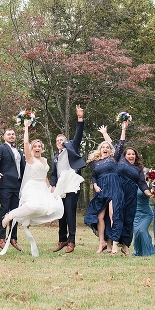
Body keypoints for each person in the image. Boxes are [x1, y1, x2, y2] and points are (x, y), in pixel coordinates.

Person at [0, 119, 83, 256]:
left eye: (39, 147)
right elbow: (25, 143)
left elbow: (45, 176)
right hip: (32, 186)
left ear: (42, 149)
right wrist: (26, 127)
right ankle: (10, 215)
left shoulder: (45, 160)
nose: (37, 148)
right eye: (35, 146)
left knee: (53, 208)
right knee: (34, 206)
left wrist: (50, 189)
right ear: (31, 149)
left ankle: (28, 219)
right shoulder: (30, 159)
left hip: (43, 187)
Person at [103, 119, 152, 256]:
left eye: (133, 154)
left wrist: (150, 193)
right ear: (125, 156)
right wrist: (119, 130)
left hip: (131, 194)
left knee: (128, 218)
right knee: (117, 215)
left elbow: (142, 183)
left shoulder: (138, 168)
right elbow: (114, 145)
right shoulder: (120, 160)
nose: (131, 155)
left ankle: (125, 246)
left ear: (136, 157)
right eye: (128, 153)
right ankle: (114, 245)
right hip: (118, 191)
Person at [49, 104, 86, 254]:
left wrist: (80, 118)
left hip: (71, 183)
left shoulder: (72, 147)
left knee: (70, 212)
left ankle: (71, 241)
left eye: (62, 139)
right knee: (61, 213)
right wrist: (52, 184)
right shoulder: (55, 157)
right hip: (60, 186)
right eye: (57, 140)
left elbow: (79, 134)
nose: (60, 142)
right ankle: (62, 239)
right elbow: (53, 173)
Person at [83, 138, 122, 255]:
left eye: (108, 147)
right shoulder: (96, 162)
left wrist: (124, 129)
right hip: (101, 189)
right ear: (100, 150)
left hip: (114, 187)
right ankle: (102, 243)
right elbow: (94, 176)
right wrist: (94, 185)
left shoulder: (114, 159)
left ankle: (113, 243)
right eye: (103, 147)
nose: (105, 148)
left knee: (112, 215)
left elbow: (121, 145)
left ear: (111, 150)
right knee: (100, 216)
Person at [0, 128, 25, 252]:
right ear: (4, 137)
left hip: (18, 185)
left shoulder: (19, 151)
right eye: (9, 134)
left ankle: (13, 238)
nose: (11, 136)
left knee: (16, 212)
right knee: (5, 210)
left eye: (13, 134)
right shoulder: (0, 148)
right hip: (5, 184)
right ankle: (1, 238)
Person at [132, 168, 154, 256]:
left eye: (145, 172)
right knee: (137, 233)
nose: (143, 174)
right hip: (135, 213)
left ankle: (147, 251)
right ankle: (139, 251)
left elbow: (153, 193)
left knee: (142, 230)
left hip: (146, 213)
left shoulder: (149, 184)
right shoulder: (132, 184)